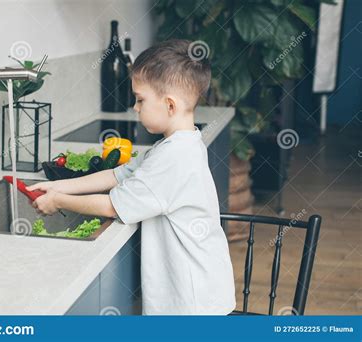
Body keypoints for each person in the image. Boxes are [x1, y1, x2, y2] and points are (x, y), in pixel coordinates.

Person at [27, 39, 236, 315]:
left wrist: (59, 201)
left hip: (192, 302)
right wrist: (56, 185)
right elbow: (117, 174)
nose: (135, 108)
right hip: (197, 292)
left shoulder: (174, 159)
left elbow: (113, 206)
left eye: (140, 99)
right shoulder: (175, 144)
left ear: (170, 105)